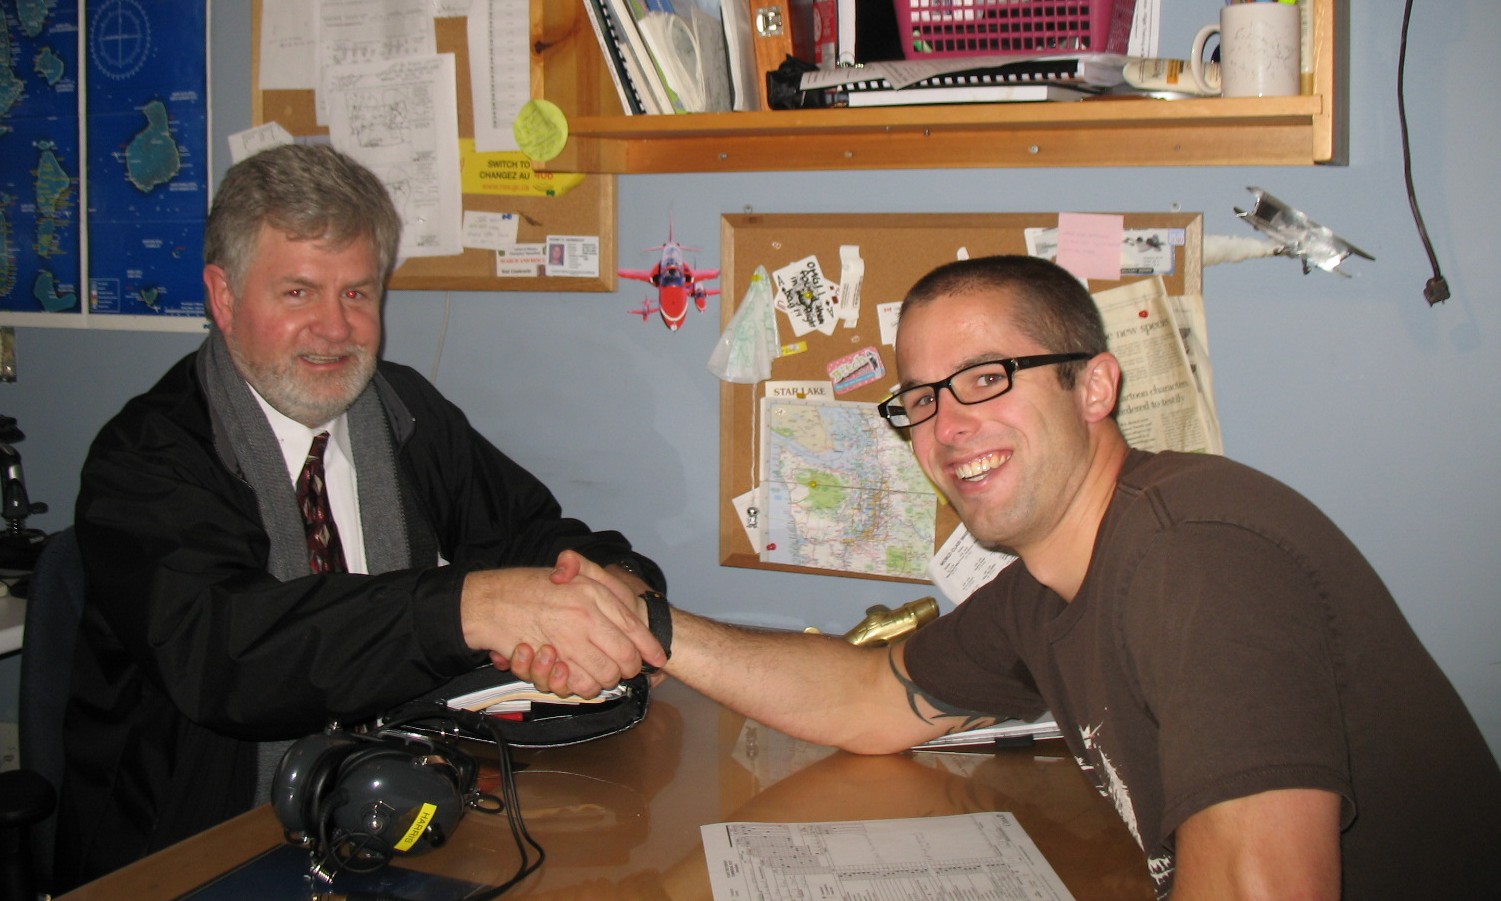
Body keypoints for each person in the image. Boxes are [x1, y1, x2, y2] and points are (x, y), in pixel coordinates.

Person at [521, 255, 1501, 899]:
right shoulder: (1050, 582)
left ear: (1095, 385)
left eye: (988, 377)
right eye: (918, 398)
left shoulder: (1195, 558)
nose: (948, 426)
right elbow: (873, 694)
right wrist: (653, 626)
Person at [56, 144, 666, 890]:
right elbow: (231, 656)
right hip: (197, 849)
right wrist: (466, 607)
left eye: (358, 293)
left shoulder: (402, 410)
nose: (335, 329)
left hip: (394, 807)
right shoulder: (145, 458)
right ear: (222, 297)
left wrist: (616, 588)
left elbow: (535, 534)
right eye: (297, 293)